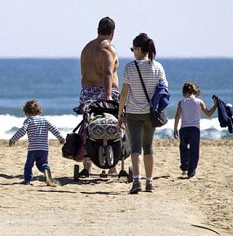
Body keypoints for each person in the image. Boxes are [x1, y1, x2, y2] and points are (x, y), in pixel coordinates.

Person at [117, 33, 167, 194]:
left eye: (133, 49)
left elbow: (124, 93)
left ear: (139, 49)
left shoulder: (130, 67)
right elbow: (164, 91)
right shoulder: (158, 67)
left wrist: (120, 113)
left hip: (133, 113)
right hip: (151, 114)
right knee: (148, 148)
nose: (133, 52)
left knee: (135, 149)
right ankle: (150, 182)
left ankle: (137, 181)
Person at [78, 16, 119, 177]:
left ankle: (87, 165)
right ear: (112, 33)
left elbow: (83, 72)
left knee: (88, 125)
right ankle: (113, 166)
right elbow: (108, 73)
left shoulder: (86, 48)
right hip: (104, 92)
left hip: (87, 91)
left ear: (97, 30)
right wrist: (108, 95)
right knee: (114, 125)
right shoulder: (108, 49)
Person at [9, 100, 65, 186]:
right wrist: (60, 138)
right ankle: (46, 169)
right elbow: (54, 129)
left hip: (33, 148)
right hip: (44, 149)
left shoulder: (28, 120)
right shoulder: (45, 120)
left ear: (26, 111)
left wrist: (14, 139)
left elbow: (22, 130)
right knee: (42, 164)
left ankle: (27, 180)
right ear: (39, 110)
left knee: (28, 165)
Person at [173, 82, 217, 179]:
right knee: (194, 151)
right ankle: (191, 172)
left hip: (183, 129)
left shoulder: (181, 102)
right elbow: (208, 113)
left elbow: (177, 116)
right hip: (194, 130)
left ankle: (184, 168)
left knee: (183, 149)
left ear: (185, 92)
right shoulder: (199, 102)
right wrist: (215, 105)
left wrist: (175, 129)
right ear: (195, 92)